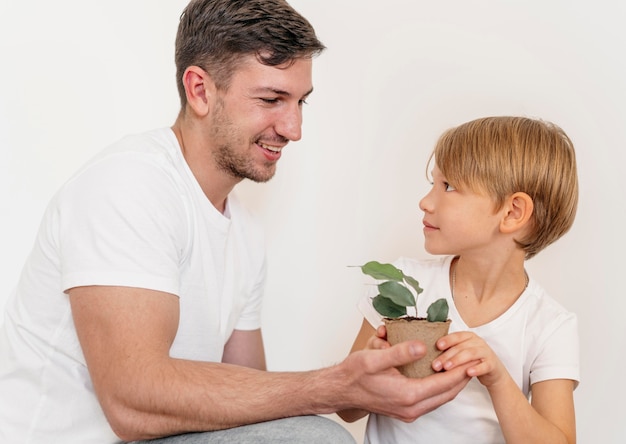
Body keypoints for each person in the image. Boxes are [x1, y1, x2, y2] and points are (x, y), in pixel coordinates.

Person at [0, 1, 474, 442]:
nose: (294, 129)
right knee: (317, 436)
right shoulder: (127, 186)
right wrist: (333, 387)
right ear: (200, 90)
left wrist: (358, 382)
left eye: (300, 102)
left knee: (307, 430)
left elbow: (253, 397)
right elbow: (131, 401)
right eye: (271, 100)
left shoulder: (243, 230)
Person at [338, 116, 580, 443]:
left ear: (512, 213)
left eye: (448, 186)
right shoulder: (404, 284)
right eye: (433, 183)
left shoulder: (550, 326)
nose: (426, 202)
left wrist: (497, 378)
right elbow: (346, 409)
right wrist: (372, 367)